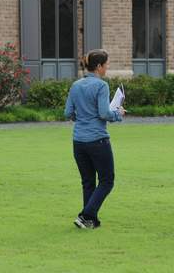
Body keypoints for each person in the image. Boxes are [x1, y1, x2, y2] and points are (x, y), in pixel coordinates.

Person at [64, 49, 125, 229]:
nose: (107, 68)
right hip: (97, 139)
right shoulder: (101, 86)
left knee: (88, 181)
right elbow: (104, 113)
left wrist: (82, 117)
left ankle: (90, 220)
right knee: (107, 180)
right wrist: (118, 113)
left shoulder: (76, 85)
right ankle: (85, 215)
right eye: (106, 65)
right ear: (98, 66)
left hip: (78, 141)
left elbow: (68, 112)